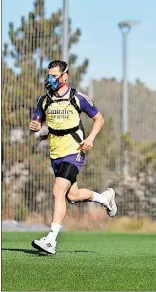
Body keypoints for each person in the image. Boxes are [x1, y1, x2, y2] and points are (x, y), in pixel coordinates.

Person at [28, 60, 117, 255]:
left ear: (65, 76)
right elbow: (37, 122)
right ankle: (106, 198)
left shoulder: (78, 97)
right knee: (72, 196)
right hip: (55, 154)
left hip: (74, 151)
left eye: (54, 76)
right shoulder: (44, 100)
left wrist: (90, 138)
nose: (50, 79)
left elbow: (99, 119)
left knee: (58, 191)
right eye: (48, 75)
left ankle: (50, 240)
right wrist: (35, 126)